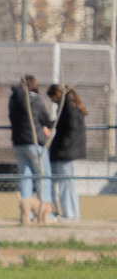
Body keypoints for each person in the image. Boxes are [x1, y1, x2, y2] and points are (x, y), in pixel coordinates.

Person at [8, 75, 53, 226]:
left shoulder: (13, 100)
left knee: (25, 178)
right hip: (36, 143)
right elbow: (45, 120)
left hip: (19, 143)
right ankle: (44, 213)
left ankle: (25, 215)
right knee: (43, 177)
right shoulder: (36, 100)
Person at [47, 84, 86, 223]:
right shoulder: (67, 106)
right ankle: (71, 213)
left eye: (52, 98)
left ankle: (70, 214)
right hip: (65, 151)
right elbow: (61, 124)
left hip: (65, 152)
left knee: (65, 183)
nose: (53, 101)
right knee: (66, 182)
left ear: (57, 94)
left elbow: (71, 130)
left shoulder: (69, 107)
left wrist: (62, 147)